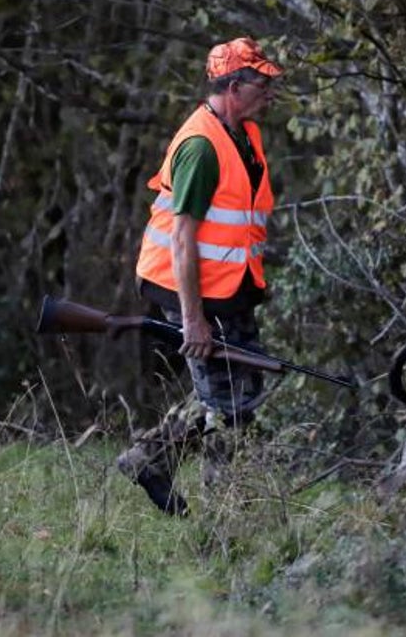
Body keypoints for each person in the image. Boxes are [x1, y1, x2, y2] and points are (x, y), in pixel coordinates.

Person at [116, 37, 283, 516]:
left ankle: (147, 458)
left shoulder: (244, 134)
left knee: (238, 389)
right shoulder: (200, 148)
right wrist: (192, 319)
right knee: (230, 407)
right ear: (234, 86)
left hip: (230, 287)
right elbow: (184, 239)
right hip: (191, 290)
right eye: (263, 83)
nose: (270, 94)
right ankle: (225, 516)